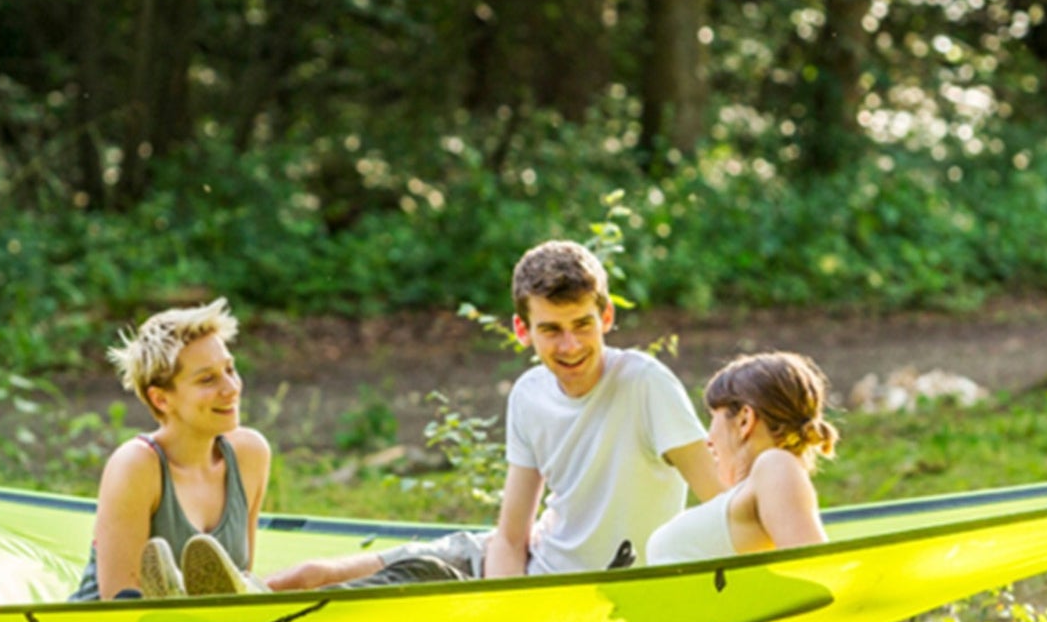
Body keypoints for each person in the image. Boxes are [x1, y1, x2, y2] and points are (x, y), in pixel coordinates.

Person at [259, 238, 722, 592]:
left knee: (358, 598)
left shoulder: (644, 384)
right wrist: (504, 601)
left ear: (605, 317)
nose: (570, 346)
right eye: (551, 330)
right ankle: (232, 601)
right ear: (523, 330)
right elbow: (510, 536)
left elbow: (720, 502)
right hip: (511, 564)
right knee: (311, 575)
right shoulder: (529, 394)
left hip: (575, 594)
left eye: (582, 325)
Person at [70, 299, 271, 601]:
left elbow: (238, 576)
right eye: (207, 379)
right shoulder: (136, 466)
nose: (231, 388)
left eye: (230, 369)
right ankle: (172, 596)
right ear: (161, 399)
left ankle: (182, 597)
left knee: (311, 575)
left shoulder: (249, 454)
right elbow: (119, 602)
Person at [645, 351, 837, 565]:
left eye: (713, 417)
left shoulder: (775, 464)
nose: (708, 440)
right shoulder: (750, 491)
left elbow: (814, 568)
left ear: (744, 420)